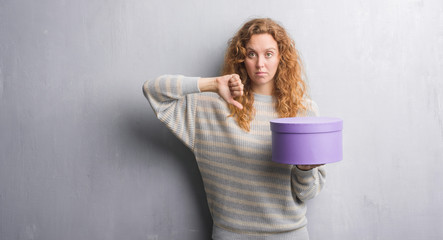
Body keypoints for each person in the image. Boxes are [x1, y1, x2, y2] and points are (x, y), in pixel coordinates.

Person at [143, 18, 326, 240]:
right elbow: (153, 90)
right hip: (231, 234)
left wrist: (304, 170)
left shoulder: (303, 111)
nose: (260, 64)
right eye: (251, 54)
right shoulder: (210, 107)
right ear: (241, 58)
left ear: (281, 58)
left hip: (290, 235)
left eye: (268, 54)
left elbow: (307, 193)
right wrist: (211, 84)